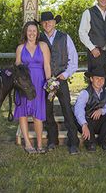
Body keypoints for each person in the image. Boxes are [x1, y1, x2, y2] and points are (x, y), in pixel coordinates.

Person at [37, 11, 80, 155]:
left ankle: (73, 141)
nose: (47, 24)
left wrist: (66, 74)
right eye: (44, 22)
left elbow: (73, 60)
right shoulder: (38, 39)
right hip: (46, 81)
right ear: (42, 25)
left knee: (67, 109)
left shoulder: (64, 37)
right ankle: (52, 140)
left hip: (61, 80)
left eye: (50, 21)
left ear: (55, 23)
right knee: (47, 111)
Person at [13, 21, 52, 154]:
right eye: (29, 31)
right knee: (23, 113)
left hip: (39, 82)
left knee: (38, 114)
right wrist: (19, 84)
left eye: (34, 31)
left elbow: (47, 65)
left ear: (37, 32)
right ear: (25, 32)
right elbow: (17, 68)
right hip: (25, 84)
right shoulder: (20, 48)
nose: (32, 33)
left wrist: (50, 82)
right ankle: (28, 144)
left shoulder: (43, 46)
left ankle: (40, 144)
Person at [73, 68, 106, 152]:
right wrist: (84, 124)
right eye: (97, 78)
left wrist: (101, 111)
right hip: (87, 122)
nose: (100, 81)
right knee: (85, 120)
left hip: (98, 123)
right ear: (91, 79)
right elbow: (78, 110)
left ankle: (102, 141)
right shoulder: (85, 93)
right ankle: (90, 143)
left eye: (102, 78)